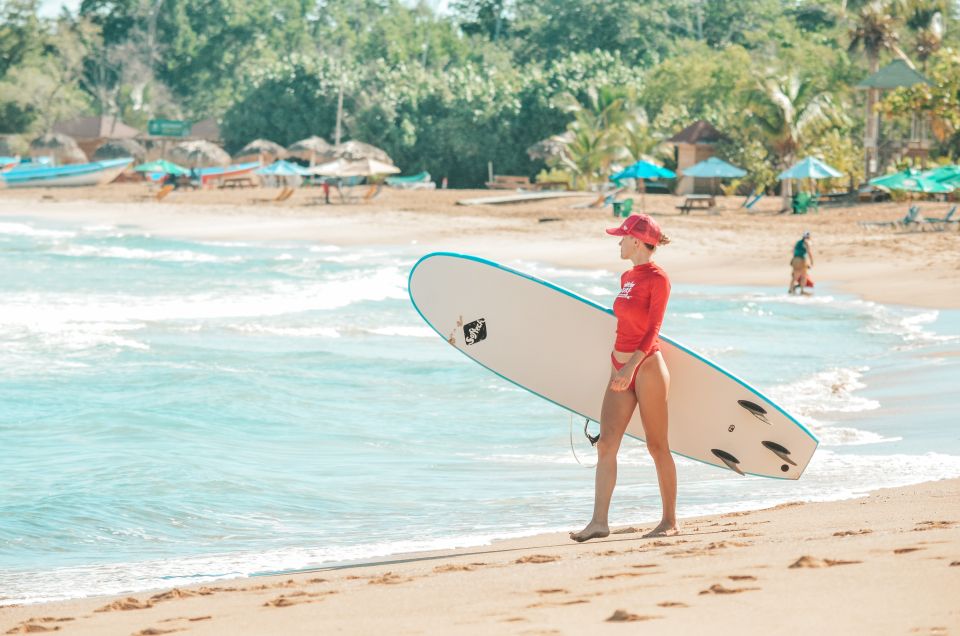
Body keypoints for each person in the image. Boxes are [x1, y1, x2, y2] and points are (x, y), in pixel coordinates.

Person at [571, 213, 676, 542]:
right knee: (606, 446)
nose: (618, 242)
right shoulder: (627, 277)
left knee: (657, 446)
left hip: (646, 367)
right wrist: (617, 363)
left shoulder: (658, 278)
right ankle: (599, 522)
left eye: (622, 237)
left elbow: (653, 329)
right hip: (620, 366)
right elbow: (624, 326)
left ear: (636, 240)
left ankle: (669, 521)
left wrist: (631, 365)